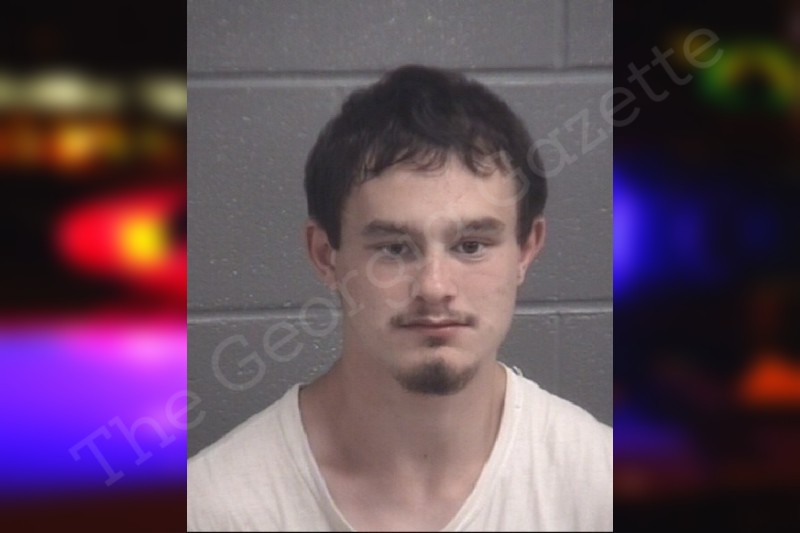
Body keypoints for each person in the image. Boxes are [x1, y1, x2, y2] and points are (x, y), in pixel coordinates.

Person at [187, 65, 612, 532]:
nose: (434, 287)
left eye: (471, 245)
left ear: (525, 250)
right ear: (326, 256)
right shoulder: (214, 509)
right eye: (393, 248)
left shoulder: (600, 489)